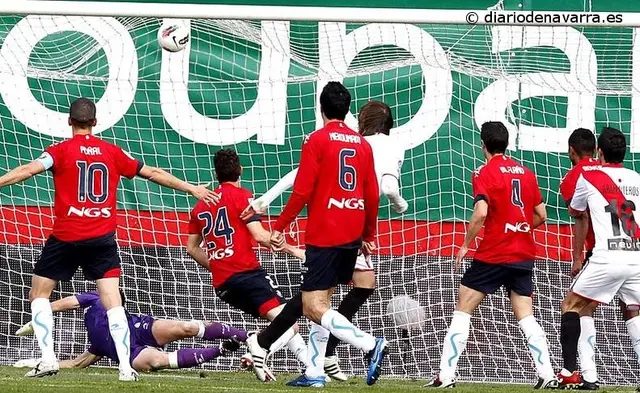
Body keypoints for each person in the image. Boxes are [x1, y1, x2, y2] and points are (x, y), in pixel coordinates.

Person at [0, 98, 216, 381]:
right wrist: (190, 188)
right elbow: (152, 172)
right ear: (95, 122)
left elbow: (27, 170)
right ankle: (126, 369)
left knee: (39, 294)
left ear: (69, 121)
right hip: (101, 238)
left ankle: (48, 359)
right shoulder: (112, 152)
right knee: (113, 301)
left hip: (65, 236)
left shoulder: (59, 151)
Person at [242, 100, 406, 381]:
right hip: (356, 229)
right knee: (326, 296)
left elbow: (300, 178)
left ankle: (364, 345)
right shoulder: (373, 145)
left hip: (329, 227)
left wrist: (267, 203)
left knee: (314, 301)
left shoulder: (337, 141)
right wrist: (396, 206)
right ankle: (316, 367)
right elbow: (385, 187)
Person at [424, 121, 557, 389]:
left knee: (463, 310)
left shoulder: (483, 172)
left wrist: (464, 245)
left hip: (494, 253)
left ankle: (446, 376)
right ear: (506, 143)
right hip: (523, 254)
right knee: (526, 316)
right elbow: (542, 215)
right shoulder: (527, 173)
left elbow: (481, 212)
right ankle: (547, 374)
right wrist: (519, 229)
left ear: (482, 144)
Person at [186, 148, 308, 380]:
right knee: (288, 321)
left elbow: (191, 248)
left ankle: (311, 368)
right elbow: (260, 236)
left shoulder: (200, 206)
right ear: (240, 169)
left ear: (216, 173)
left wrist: (218, 265)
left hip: (223, 284)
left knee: (283, 321)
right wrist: (283, 242)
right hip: (246, 273)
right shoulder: (242, 195)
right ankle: (259, 348)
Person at [558, 128, 640, 389]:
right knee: (634, 312)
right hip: (635, 256)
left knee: (571, 305)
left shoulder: (587, 176)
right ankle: (590, 375)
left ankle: (570, 371)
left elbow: (576, 212)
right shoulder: (637, 178)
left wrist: (577, 257)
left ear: (600, 153)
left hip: (605, 257)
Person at [13, 291, 245, 372]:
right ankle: (222, 349)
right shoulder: (92, 301)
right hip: (132, 351)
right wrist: (36, 323)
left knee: (185, 327)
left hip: (139, 329)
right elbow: (76, 363)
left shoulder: (122, 312)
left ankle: (248, 336)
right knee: (155, 361)